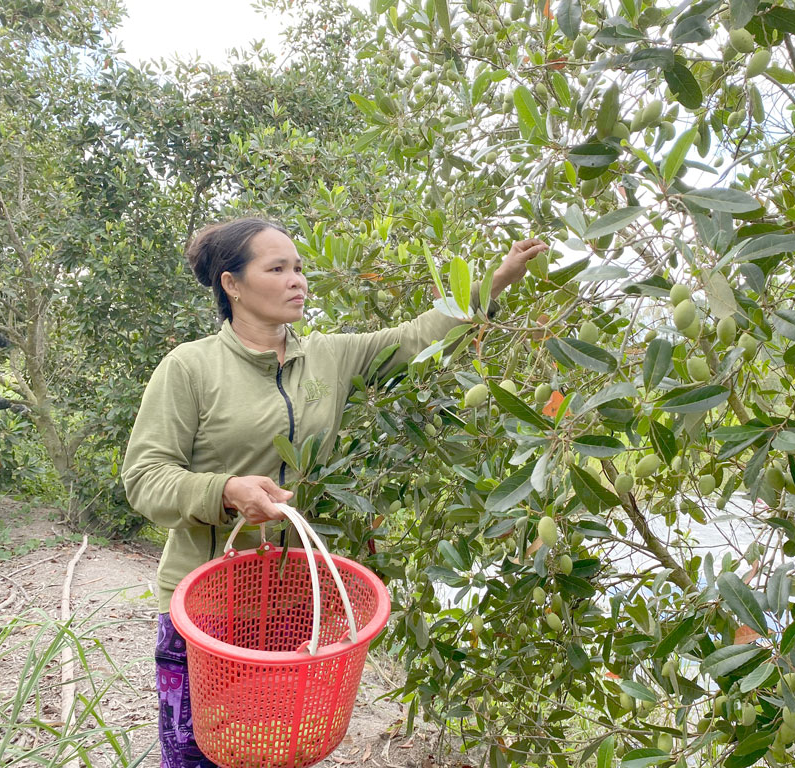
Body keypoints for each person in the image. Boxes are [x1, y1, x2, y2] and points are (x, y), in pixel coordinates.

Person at [121, 217, 547, 768]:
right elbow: (145, 478)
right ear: (232, 284)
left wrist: (493, 282)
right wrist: (225, 490)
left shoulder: (327, 356)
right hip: (208, 607)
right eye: (277, 268)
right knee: (201, 755)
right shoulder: (190, 368)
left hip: (299, 602)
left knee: (281, 750)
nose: (297, 280)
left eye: (299, 267)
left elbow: (414, 338)